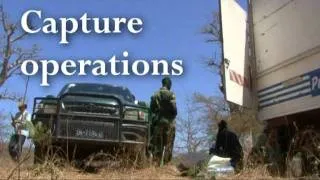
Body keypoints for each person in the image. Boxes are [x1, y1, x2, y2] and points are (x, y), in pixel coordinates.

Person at [150, 77, 177, 165]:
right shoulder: (171, 94)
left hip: (158, 121)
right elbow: (174, 109)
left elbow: (152, 108)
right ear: (169, 84)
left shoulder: (156, 94)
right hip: (169, 122)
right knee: (168, 143)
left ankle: (156, 162)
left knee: (157, 142)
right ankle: (166, 163)